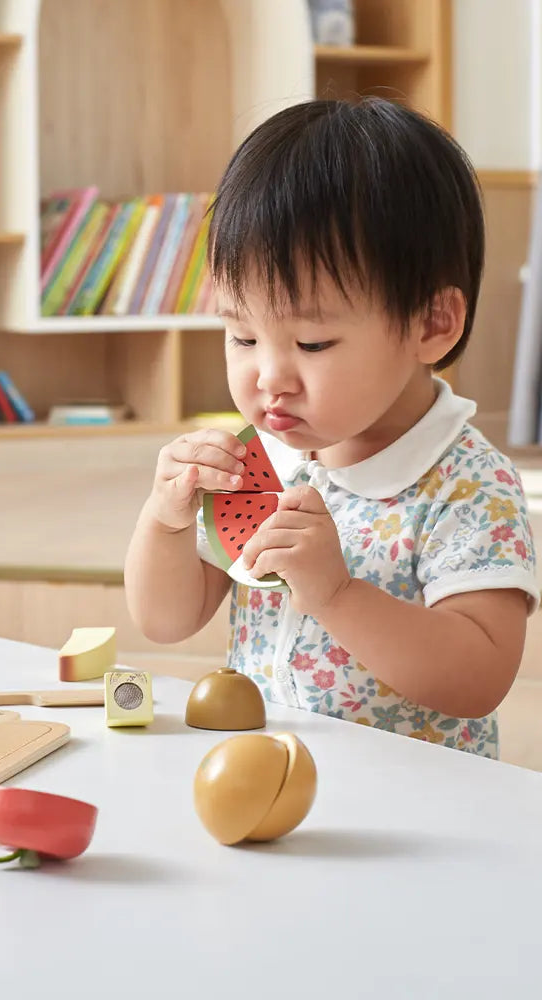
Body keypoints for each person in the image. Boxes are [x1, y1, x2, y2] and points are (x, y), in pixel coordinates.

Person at [123, 97, 539, 758]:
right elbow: (166, 620)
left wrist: (339, 595)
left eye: (312, 343)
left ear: (433, 324)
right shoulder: (266, 454)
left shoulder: (466, 484)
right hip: (271, 776)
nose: (269, 377)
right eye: (242, 335)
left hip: (416, 808)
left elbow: (480, 677)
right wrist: (165, 523)